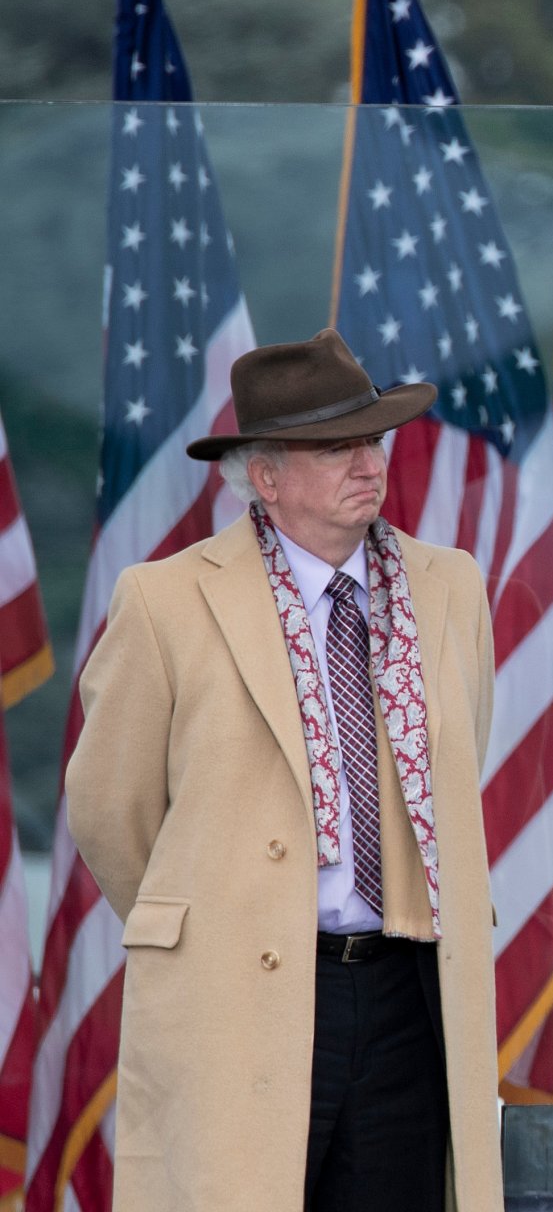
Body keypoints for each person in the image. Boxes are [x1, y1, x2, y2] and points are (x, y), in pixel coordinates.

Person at [66, 328, 502, 1212]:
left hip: (403, 991)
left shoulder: (450, 586)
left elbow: (465, 764)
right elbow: (111, 810)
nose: (367, 462)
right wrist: (218, 912)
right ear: (265, 478)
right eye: (335, 445)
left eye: (372, 439)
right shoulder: (166, 600)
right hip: (235, 995)